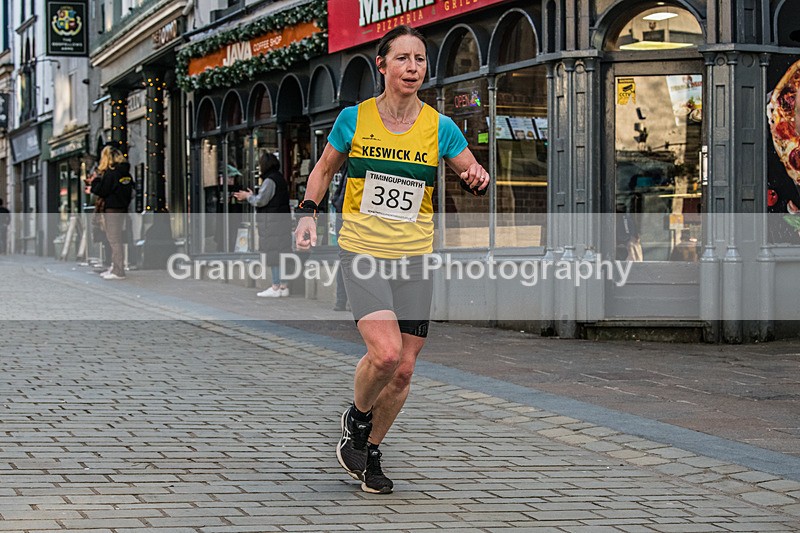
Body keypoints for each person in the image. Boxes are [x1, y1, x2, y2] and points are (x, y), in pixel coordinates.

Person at [294, 25, 489, 494]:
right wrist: (307, 214)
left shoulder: (440, 127)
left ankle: (369, 449)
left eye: (419, 59)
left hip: (415, 256)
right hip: (363, 249)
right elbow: (323, 169)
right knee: (384, 354)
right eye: (402, 58)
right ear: (381, 66)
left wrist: (475, 174)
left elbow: (467, 167)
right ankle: (357, 419)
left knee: (404, 369)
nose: (412, 67)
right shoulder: (354, 119)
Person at [233, 152, 292, 297]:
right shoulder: (280, 179)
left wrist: (248, 196)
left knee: (274, 254)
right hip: (281, 221)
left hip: (272, 223)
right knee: (282, 253)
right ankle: (284, 286)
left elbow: (261, 201)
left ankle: (276, 286)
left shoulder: (269, 181)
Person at [87, 145, 133, 280]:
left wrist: (95, 180)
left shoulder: (111, 174)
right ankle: (115, 267)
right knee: (116, 238)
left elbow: (101, 190)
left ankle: (118, 270)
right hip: (122, 209)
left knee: (113, 239)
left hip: (112, 210)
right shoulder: (126, 173)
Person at [330, 165, 349, 311]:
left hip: (342, 215)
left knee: (345, 258)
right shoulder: (354, 170)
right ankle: (344, 300)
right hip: (348, 217)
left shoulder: (347, 167)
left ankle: (341, 300)